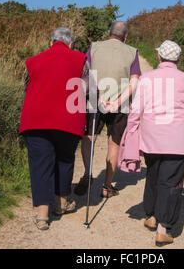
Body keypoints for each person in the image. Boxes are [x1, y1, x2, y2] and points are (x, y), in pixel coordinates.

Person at [124, 40, 184, 246]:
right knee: (171, 181)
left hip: (152, 138)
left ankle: (151, 216)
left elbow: (135, 110)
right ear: (177, 59)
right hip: (177, 140)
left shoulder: (147, 78)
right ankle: (163, 228)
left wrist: (131, 131)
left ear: (159, 57)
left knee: (153, 175)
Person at [19, 27, 88, 230]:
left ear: (51, 42)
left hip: (36, 119)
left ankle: (42, 216)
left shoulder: (33, 61)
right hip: (68, 119)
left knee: (40, 163)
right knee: (64, 159)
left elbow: (26, 87)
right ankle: (60, 204)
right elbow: (86, 90)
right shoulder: (80, 60)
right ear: (70, 44)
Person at [74, 21, 141, 198]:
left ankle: (88, 173)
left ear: (108, 32)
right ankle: (107, 186)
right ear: (125, 37)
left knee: (89, 137)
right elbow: (134, 81)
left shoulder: (94, 47)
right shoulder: (132, 52)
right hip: (121, 105)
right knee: (114, 142)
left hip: (95, 100)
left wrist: (99, 97)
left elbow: (86, 73)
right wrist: (118, 102)